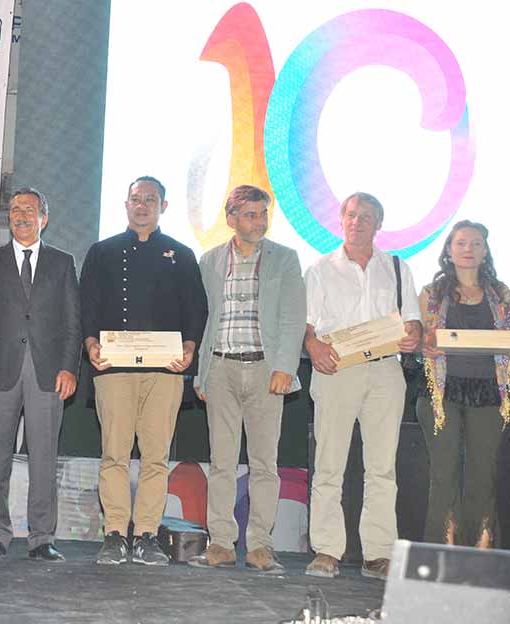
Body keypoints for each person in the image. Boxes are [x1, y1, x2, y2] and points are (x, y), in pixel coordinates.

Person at [80, 175, 208, 566]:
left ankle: (147, 535)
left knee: (155, 457)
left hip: (165, 370)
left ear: (163, 207)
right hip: (113, 367)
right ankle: (116, 533)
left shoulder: (181, 254)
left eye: (150, 199)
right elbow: (87, 305)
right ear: (126, 204)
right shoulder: (102, 252)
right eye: (136, 199)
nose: (142, 206)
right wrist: (90, 344)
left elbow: (197, 308)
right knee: (114, 454)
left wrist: (189, 347)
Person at [304, 192, 422, 579]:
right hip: (336, 370)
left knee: (382, 468)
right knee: (329, 465)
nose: (357, 222)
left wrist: (414, 333)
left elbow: (413, 321)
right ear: (341, 220)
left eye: (366, 216)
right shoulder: (320, 269)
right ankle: (326, 550)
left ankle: (378, 555)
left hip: (386, 371)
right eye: (352, 215)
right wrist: (313, 346)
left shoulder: (397, 267)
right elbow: (307, 327)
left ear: (378, 224)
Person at [189, 185, 305, 573]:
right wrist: (202, 373)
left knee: (264, 464)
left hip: (265, 370)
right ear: (231, 219)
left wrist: (285, 367)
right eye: (251, 215)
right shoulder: (209, 260)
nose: (259, 222)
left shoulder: (285, 259)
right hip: (220, 368)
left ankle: (260, 546)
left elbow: (293, 318)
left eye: (263, 214)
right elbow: (203, 319)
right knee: (221, 462)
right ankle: (221, 543)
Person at [0, 187, 81, 561]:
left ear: (44, 218)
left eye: (30, 209)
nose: (22, 215)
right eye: (15, 209)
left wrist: (69, 368)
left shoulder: (62, 263)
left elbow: (73, 322)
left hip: (49, 372)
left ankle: (42, 538)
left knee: (44, 458)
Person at [417, 220, 509, 548]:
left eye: (476, 243)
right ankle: (442, 550)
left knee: (484, 475)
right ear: (449, 250)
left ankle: (482, 553)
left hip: (490, 393)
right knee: (443, 475)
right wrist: (422, 344)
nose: (468, 249)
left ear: (485, 252)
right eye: (461, 243)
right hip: (441, 394)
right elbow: (415, 339)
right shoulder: (430, 294)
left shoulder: (503, 295)